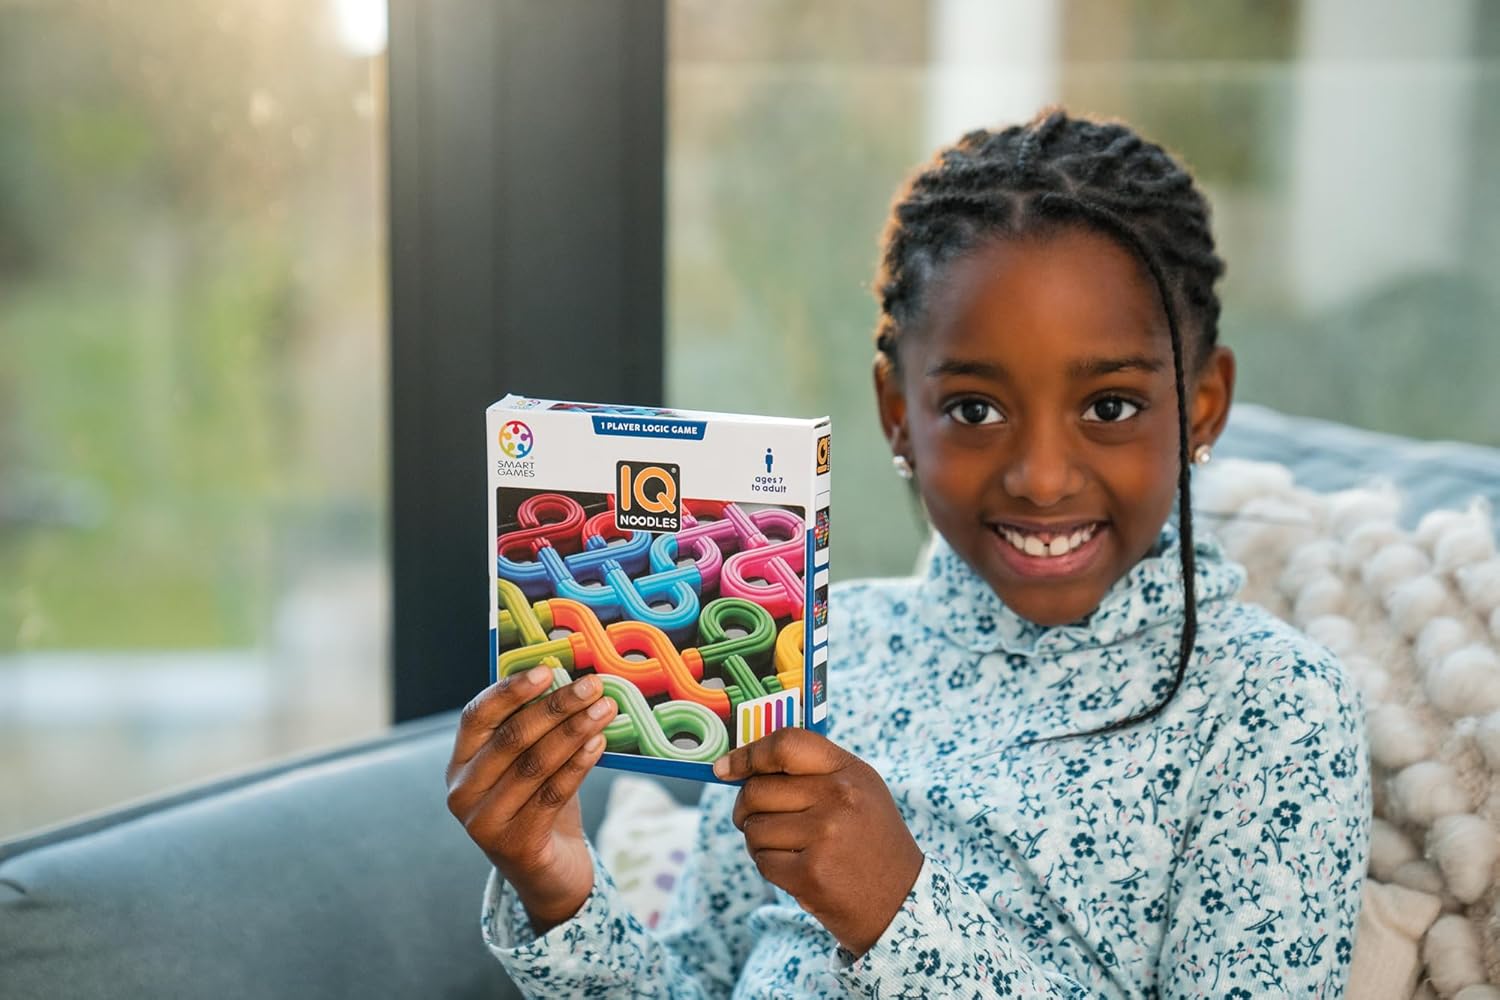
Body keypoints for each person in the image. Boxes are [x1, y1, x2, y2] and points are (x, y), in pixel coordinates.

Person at [445, 108, 1371, 997]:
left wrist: (897, 911)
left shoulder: (1270, 711)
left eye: (1110, 408)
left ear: (1203, 406)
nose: (1042, 478)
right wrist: (561, 886)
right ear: (899, 415)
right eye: (975, 409)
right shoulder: (814, 645)